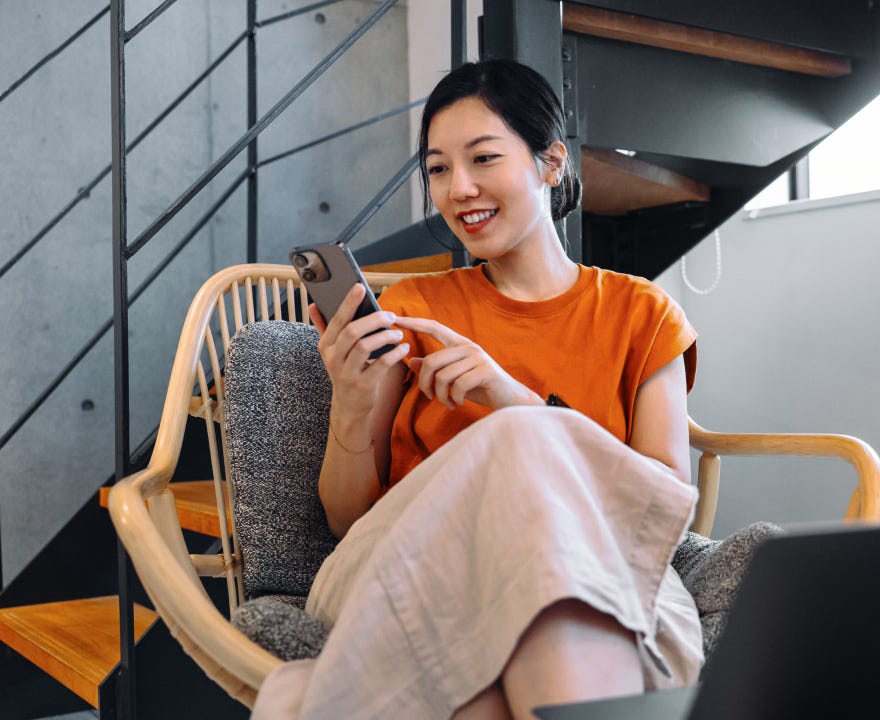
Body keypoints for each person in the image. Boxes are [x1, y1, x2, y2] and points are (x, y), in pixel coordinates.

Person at [252, 60, 702, 720]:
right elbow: (350, 521)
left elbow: (663, 506)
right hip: (416, 567)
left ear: (551, 164)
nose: (459, 189)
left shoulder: (640, 313)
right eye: (437, 169)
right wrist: (350, 406)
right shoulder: (413, 308)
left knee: (514, 649)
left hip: (599, 568)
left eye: (483, 158)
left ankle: (313, 700)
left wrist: (510, 400)